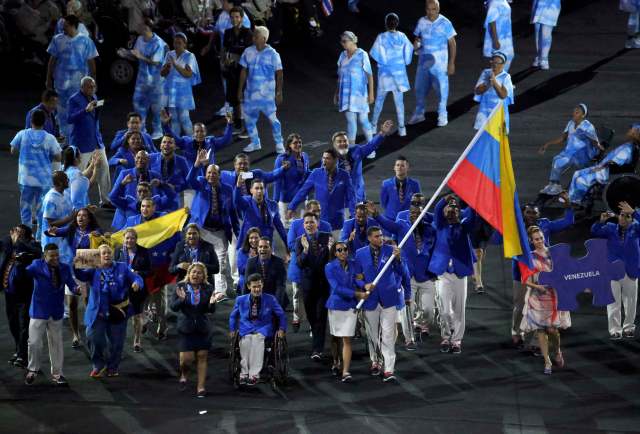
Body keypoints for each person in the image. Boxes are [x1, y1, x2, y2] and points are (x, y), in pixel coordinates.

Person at [367, 200, 436, 344]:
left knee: (429, 311)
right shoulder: (403, 227)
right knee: (407, 309)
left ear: (423, 215)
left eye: (418, 214)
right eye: (412, 213)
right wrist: (376, 214)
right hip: (408, 275)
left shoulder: (430, 229)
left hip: (427, 274)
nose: (414, 216)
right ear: (408, 214)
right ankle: (409, 338)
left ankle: (421, 324)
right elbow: (387, 224)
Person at [511, 196, 574, 348]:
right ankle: (516, 332)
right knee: (520, 304)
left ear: (539, 215)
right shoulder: (515, 227)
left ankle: (536, 343)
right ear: (523, 213)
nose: (531, 215)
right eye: (528, 212)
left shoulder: (545, 224)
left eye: (534, 213)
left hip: (543, 272)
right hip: (522, 271)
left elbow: (567, 221)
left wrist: (568, 206)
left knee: (541, 306)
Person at [74, 244, 143, 378]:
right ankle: (98, 365)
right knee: (93, 337)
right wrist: (74, 264)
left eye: (109, 253)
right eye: (103, 253)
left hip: (118, 311)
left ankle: (112, 367)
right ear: (98, 256)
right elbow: (81, 275)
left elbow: (136, 277)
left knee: (116, 342)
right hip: (97, 311)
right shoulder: (93, 269)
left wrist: (137, 283)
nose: (107, 255)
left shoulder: (122, 266)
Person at [354, 227, 408, 382]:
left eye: (382, 235)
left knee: (388, 334)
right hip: (370, 299)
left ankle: (389, 368)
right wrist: (364, 285)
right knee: (372, 335)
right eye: (377, 236)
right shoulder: (360, 254)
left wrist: (398, 259)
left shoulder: (392, 250)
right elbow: (357, 277)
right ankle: (376, 361)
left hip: (389, 299)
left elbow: (402, 271)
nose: (381, 238)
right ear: (370, 238)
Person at [124, 197, 181, 341]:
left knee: (158, 299)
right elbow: (121, 236)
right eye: (143, 206)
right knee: (141, 299)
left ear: (154, 207)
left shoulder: (162, 219)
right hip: (139, 268)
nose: (145, 209)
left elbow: (174, 222)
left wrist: (183, 214)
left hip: (158, 266)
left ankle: (162, 325)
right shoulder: (132, 221)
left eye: (148, 206)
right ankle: (144, 319)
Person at [24, 243, 79, 386]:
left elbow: (71, 283)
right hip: (38, 311)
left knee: (56, 344)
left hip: (56, 311)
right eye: (52, 255)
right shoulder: (36, 265)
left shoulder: (64, 267)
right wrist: (20, 264)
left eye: (57, 255)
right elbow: (25, 273)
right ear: (44, 255)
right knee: (34, 343)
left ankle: (57, 374)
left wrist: (76, 288)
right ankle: (32, 370)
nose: (55, 258)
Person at [46, 207, 102, 347]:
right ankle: (76, 335)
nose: (80, 218)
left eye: (84, 216)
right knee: (72, 304)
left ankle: (91, 329)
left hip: (90, 263)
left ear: (89, 219)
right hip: (73, 266)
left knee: (89, 300)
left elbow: (104, 242)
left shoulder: (95, 232)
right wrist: (50, 231)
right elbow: (52, 232)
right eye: (78, 216)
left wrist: (99, 236)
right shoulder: (71, 229)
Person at [429, 196, 475, 354]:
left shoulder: (464, 227)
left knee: (459, 308)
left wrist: (474, 200)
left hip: (460, 273)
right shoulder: (439, 225)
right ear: (444, 211)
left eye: (456, 208)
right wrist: (444, 200)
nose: (453, 210)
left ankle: (456, 340)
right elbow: (436, 210)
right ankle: (446, 335)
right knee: (444, 309)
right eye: (450, 207)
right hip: (443, 273)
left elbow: (473, 216)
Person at [521, 227, 570, 374]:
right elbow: (525, 280)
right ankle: (547, 360)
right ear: (531, 241)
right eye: (536, 239)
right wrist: (538, 286)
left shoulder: (554, 253)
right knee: (541, 330)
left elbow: (564, 273)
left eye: (541, 237)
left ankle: (558, 351)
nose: (540, 241)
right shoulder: (529, 257)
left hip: (554, 296)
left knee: (553, 330)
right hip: (537, 297)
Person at [187, 151, 236, 295]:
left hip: (219, 230)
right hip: (201, 230)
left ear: (219, 175)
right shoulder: (202, 183)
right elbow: (190, 180)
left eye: (214, 173)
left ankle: (220, 292)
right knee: (197, 259)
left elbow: (231, 210)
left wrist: (236, 230)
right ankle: (195, 288)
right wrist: (196, 165)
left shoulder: (227, 189)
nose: (211, 176)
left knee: (221, 262)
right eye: (209, 173)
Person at [591, 202, 640, 340]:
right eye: (622, 216)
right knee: (613, 302)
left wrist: (635, 212)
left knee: (630, 302)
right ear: (618, 217)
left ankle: (629, 327)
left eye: (628, 216)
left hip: (631, 270)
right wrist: (600, 221)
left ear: (632, 219)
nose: (624, 218)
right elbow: (595, 232)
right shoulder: (610, 228)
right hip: (612, 271)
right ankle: (615, 330)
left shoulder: (636, 229)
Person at [10, 109, 62, 236]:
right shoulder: (50, 138)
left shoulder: (22, 134)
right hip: (43, 180)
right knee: (42, 208)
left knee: (25, 208)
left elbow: (12, 150)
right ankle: (40, 235)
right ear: (44, 122)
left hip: (25, 179)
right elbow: (58, 157)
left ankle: (25, 235)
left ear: (30, 120)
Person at [229, 273, 287, 386]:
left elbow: (281, 315)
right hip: (246, 328)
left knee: (257, 340)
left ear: (262, 285)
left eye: (259, 286)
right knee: (246, 341)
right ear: (249, 286)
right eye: (254, 286)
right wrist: (232, 329)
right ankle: (244, 373)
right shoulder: (240, 300)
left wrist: (282, 328)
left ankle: (254, 374)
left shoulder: (270, 299)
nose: (257, 289)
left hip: (263, 327)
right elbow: (233, 316)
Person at [45, 14, 98, 137]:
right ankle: (65, 136)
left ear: (74, 26)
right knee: (62, 109)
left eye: (66, 26)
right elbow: (52, 60)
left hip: (79, 82)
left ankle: (79, 134)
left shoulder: (86, 41)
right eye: (63, 26)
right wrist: (48, 78)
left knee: (80, 107)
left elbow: (91, 62)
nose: (63, 28)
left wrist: (93, 81)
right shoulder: (57, 39)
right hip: (61, 81)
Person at [171, 262, 218, 397]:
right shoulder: (181, 286)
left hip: (203, 328)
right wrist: (181, 300)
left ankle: (200, 387)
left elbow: (211, 310)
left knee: (202, 356)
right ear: (189, 274)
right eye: (193, 272)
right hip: (186, 327)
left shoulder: (208, 288)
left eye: (199, 273)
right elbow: (173, 308)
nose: (195, 275)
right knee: (186, 359)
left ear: (203, 276)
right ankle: (184, 373)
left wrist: (211, 304)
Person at [287, 149, 356, 239]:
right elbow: (302, 191)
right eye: (323, 158)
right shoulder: (316, 173)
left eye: (327, 158)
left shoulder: (344, 175)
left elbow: (351, 198)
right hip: (320, 223)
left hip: (337, 223)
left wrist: (354, 217)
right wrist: (291, 207)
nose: (324, 161)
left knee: (338, 250)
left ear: (335, 160)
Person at [409, 0, 457, 127]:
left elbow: (452, 43)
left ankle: (442, 114)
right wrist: (417, 46)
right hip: (423, 63)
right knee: (419, 88)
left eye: (433, 9)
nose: (431, 12)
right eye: (428, 9)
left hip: (440, 66)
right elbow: (417, 39)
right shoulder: (421, 21)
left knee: (441, 90)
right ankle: (419, 113)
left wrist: (451, 63)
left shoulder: (445, 23)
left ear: (438, 9)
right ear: (426, 9)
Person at [237, 26, 285, 154]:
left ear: (263, 39)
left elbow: (279, 74)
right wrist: (240, 90)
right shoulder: (248, 51)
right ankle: (255, 142)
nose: (253, 38)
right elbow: (243, 71)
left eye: (255, 36)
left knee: (273, 120)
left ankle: (279, 143)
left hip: (267, 96)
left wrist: (279, 92)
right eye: (253, 36)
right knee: (248, 118)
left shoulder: (273, 54)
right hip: (250, 94)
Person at [286, 201, 332, 332]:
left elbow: (329, 245)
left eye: (318, 210)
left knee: (317, 298)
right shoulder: (295, 224)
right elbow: (290, 244)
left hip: (319, 269)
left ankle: (314, 326)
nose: (317, 213)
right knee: (296, 294)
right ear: (307, 211)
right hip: (300, 264)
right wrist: (306, 250)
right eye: (314, 210)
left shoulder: (326, 225)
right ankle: (296, 316)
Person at [568, 123, 640, 205]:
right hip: (605, 168)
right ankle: (573, 198)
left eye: (631, 130)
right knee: (577, 173)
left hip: (607, 172)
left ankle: (577, 201)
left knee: (580, 180)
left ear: (635, 132)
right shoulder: (630, 145)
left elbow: (614, 162)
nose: (628, 131)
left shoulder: (629, 149)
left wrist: (600, 167)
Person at [67, 76, 112, 207]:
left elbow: (95, 117)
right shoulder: (74, 99)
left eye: (94, 86)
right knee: (79, 173)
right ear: (82, 87)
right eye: (90, 87)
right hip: (81, 143)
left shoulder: (94, 97)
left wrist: (98, 108)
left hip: (96, 140)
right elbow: (70, 118)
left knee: (104, 167)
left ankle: (105, 200)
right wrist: (85, 110)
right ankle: (75, 201)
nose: (93, 89)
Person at [539, 104, 603, 196]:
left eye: (577, 112)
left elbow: (594, 142)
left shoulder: (588, 127)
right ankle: (553, 184)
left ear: (583, 115)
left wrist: (599, 149)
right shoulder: (570, 123)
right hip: (570, 152)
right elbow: (563, 138)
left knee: (559, 162)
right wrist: (547, 144)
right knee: (556, 159)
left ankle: (556, 186)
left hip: (581, 155)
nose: (574, 113)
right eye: (574, 111)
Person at [1, 225, 41, 368]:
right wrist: (13, 241)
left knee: (24, 323)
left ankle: (23, 355)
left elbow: (38, 253)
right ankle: (18, 350)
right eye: (15, 231)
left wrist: (21, 242)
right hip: (9, 292)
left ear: (27, 236)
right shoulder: (8, 243)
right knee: (13, 323)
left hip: (25, 292)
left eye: (20, 233)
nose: (16, 235)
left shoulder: (33, 245)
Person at [325, 242, 366, 382]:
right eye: (339, 250)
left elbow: (357, 279)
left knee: (347, 339)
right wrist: (357, 294)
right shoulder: (329, 267)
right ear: (335, 253)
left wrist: (364, 285)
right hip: (336, 306)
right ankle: (336, 361)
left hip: (350, 306)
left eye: (345, 249)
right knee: (335, 337)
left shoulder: (353, 264)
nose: (343, 252)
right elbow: (336, 288)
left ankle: (346, 371)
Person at [122, 18, 168, 139]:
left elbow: (155, 62)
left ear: (146, 28)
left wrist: (140, 56)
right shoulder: (140, 39)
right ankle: (141, 129)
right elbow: (136, 57)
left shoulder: (158, 43)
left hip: (156, 80)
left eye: (140, 25)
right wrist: (126, 54)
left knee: (156, 106)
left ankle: (158, 130)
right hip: (142, 80)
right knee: (138, 102)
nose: (137, 26)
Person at [296, 213, 333, 359]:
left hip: (323, 285)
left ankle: (317, 349)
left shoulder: (327, 237)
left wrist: (330, 250)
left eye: (312, 222)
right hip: (308, 286)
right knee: (312, 317)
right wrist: (305, 250)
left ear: (317, 223)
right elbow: (299, 263)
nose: (309, 225)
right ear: (303, 225)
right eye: (306, 223)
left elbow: (331, 260)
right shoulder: (300, 241)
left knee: (320, 316)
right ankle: (317, 340)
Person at [370, 13, 413, 136]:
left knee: (379, 101)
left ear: (386, 23)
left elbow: (375, 53)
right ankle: (401, 128)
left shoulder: (381, 37)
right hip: (398, 75)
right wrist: (404, 61)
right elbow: (408, 52)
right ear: (397, 23)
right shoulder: (403, 36)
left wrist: (383, 61)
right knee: (399, 102)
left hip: (385, 75)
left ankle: (373, 125)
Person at [331, 121, 392, 202]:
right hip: (340, 201)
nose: (343, 143)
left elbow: (371, 145)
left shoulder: (356, 150)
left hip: (358, 198)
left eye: (345, 141)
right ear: (334, 144)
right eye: (339, 142)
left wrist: (382, 133)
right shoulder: (329, 159)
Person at [114, 228, 151, 353]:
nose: (129, 240)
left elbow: (149, 271)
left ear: (136, 239)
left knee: (136, 315)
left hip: (138, 289)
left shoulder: (144, 252)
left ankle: (137, 340)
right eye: (127, 238)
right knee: (123, 315)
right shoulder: (118, 250)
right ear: (123, 239)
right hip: (122, 289)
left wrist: (137, 273)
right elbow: (113, 266)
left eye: (132, 238)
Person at [335, 31, 374, 147]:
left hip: (359, 94)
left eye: (344, 41)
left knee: (363, 120)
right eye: (341, 41)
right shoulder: (342, 55)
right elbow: (339, 76)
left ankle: (371, 147)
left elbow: (369, 75)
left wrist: (371, 94)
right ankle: (351, 149)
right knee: (351, 121)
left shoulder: (362, 54)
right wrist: (336, 93)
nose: (342, 44)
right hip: (345, 95)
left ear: (352, 41)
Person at [161, 110, 234, 168]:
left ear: (205, 133)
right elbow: (174, 138)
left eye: (202, 131)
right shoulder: (186, 142)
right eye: (197, 131)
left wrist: (230, 124)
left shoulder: (211, 142)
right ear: (193, 133)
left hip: (208, 176)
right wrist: (165, 126)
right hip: (191, 176)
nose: (199, 134)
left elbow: (225, 140)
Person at [161, 32, 201, 136]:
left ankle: (191, 141)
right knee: (173, 118)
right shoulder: (169, 54)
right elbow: (162, 73)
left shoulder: (190, 56)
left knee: (184, 118)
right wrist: (166, 68)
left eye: (179, 43)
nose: (176, 45)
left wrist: (175, 65)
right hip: (170, 90)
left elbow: (188, 74)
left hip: (183, 92)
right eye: (175, 43)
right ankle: (177, 141)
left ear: (184, 44)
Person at [221, 6, 253, 133]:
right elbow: (225, 49)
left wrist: (235, 58)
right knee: (233, 99)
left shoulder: (248, 33)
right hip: (231, 70)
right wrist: (224, 62)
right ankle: (238, 124)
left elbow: (249, 53)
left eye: (237, 17)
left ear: (241, 18)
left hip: (243, 71)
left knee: (243, 99)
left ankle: (248, 129)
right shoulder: (228, 32)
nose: (234, 19)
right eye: (232, 17)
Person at [234, 178, 288, 251]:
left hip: (266, 244)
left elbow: (279, 227)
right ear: (251, 190)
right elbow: (237, 201)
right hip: (250, 245)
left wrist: (287, 245)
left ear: (265, 190)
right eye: (256, 188)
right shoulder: (247, 201)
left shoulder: (273, 205)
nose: (259, 191)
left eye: (261, 188)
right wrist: (238, 187)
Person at [274, 133, 310, 228]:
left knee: (303, 228)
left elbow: (307, 174)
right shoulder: (282, 159)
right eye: (295, 143)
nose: (298, 145)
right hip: (287, 200)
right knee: (287, 229)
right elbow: (277, 180)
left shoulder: (305, 156)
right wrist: (275, 201)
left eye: (300, 142)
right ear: (289, 145)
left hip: (302, 199)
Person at [473, 51, 514, 133]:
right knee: (481, 139)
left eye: (498, 63)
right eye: (493, 62)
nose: (495, 65)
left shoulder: (506, 77)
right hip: (484, 113)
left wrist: (494, 82)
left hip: (499, 114)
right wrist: (487, 84)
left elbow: (503, 95)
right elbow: (477, 91)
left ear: (503, 64)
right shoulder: (485, 72)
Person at [41, 171, 75, 264]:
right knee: (55, 263)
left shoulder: (66, 194)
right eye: (66, 179)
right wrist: (70, 218)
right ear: (60, 183)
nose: (68, 181)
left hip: (65, 236)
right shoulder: (50, 199)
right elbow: (51, 223)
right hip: (53, 239)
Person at [149, 135, 190, 210]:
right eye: (164, 142)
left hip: (174, 201)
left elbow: (188, 183)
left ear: (175, 146)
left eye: (170, 142)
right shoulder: (150, 158)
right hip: (154, 201)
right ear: (160, 146)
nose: (166, 144)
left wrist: (176, 187)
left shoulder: (182, 161)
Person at [244, 237, 287, 307]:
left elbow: (280, 286)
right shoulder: (250, 262)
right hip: (256, 297)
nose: (262, 249)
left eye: (266, 247)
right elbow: (246, 285)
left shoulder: (279, 263)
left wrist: (276, 305)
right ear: (257, 249)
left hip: (275, 298)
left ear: (271, 249)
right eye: (260, 247)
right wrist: (245, 304)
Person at [380, 155, 421, 223]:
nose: (399, 167)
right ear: (394, 168)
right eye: (397, 165)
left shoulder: (414, 184)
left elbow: (417, 203)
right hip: (390, 220)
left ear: (407, 168)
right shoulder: (386, 184)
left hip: (407, 220)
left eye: (402, 165)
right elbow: (383, 203)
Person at [62, 146, 100, 210]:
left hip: (65, 204)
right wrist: (96, 168)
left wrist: (92, 164)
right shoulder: (77, 174)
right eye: (79, 155)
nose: (81, 157)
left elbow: (81, 175)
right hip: (76, 209)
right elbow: (89, 185)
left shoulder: (63, 168)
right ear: (75, 159)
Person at [483, 0, 514, 71]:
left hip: (506, 37)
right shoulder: (495, 2)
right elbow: (491, 21)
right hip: (499, 38)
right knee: (500, 61)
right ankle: (496, 80)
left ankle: (498, 79)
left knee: (509, 56)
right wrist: (495, 40)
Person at [531, 0, 561, 69]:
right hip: (538, 4)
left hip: (551, 5)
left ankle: (544, 59)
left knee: (546, 32)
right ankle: (539, 56)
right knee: (538, 31)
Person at [237, 227, 261, 294]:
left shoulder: (264, 250)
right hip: (246, 279)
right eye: (251, 238)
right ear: (248, 239)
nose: (254, 240)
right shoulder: (241, 251)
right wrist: (251, 260)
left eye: (256, 238)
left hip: (261, 279)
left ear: (260, 238)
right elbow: (242, 270)